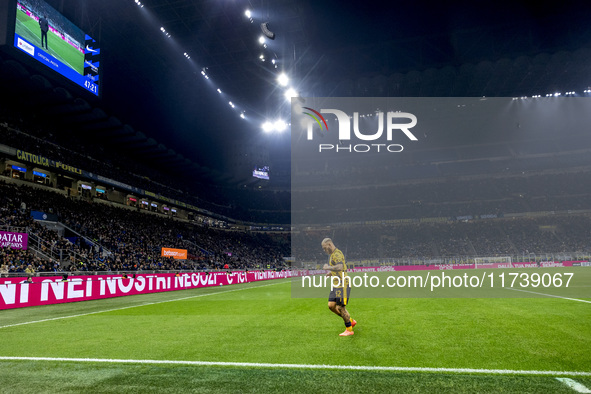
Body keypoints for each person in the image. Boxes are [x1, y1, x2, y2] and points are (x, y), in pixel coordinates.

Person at [321, 238, 356, 336]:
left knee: (340, 307)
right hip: (336, 284)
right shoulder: (332, 255)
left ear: (329, 244)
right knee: (331, 306)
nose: (324, 250)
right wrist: (330, 273)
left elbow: (340, 267)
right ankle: (351, 321)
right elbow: (338, 269)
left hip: (342, 284)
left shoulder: (337, 254)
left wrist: (328, 267)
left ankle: (349, 329)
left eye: (325, 248)